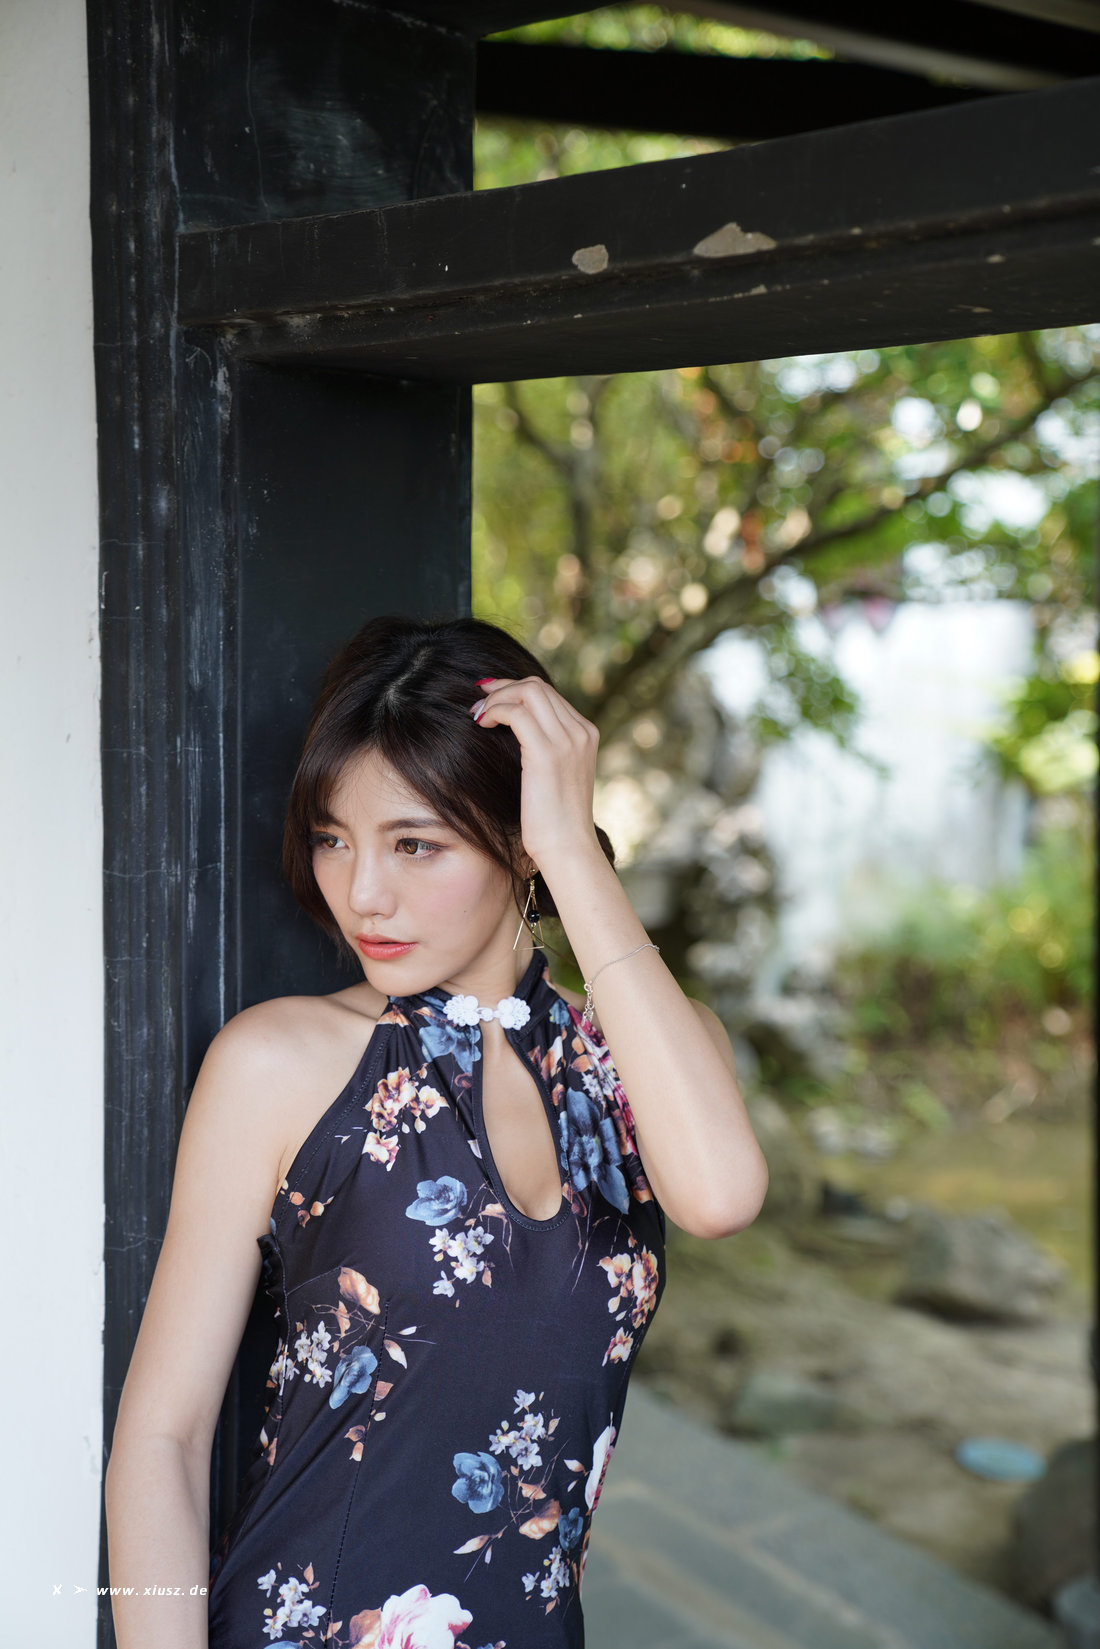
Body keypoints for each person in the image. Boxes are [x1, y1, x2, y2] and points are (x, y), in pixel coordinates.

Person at [104, 614, 769, 1649]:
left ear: (519, 838)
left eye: (415, 843)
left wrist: (569, 850)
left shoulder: (643, 1059)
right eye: (334, 837)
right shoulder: (281, 1062)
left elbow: (719, 1195)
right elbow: (163, 1438)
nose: (362, 892)